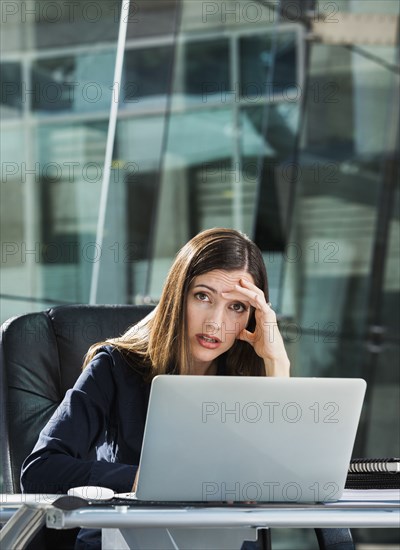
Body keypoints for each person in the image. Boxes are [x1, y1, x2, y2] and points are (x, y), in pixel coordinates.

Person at [21, 227, 290, 549]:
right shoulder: (115, 366)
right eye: (203, 296)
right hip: (126, 540)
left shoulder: (249, 380)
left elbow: (283, 478)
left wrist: (277, 361)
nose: (215, 323)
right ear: (178, 296)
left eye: (237, 307)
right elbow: (40, 470)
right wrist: (149, 482)